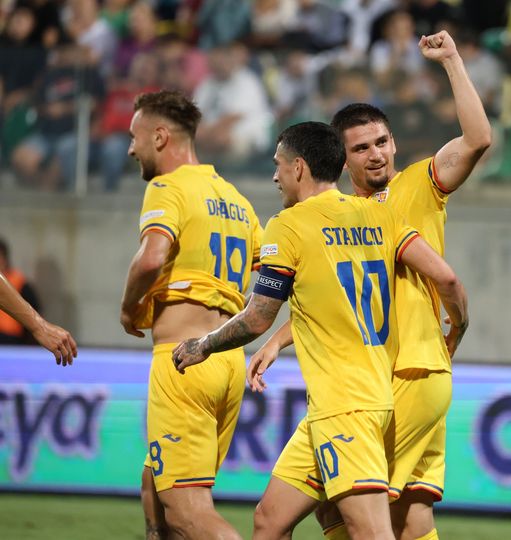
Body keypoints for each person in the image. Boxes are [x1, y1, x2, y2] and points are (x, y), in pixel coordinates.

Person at [172, 121, 469, 540]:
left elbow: (257, 317)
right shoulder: (379, 215)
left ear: (298, 167)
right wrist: (458, 325)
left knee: (373, 531)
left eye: (278, 165)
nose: (275, 176)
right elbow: (447, 279)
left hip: (346, 406)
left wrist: (204, 345)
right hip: (354, 400)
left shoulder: (288, 225)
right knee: (270, 520)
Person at [254, 29, 490, 540]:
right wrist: (277, 340)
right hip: (387, 376)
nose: (376, 154)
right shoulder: (342, 217)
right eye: (361, 148)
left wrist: (452, 61)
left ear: (395, 143)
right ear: (342, 159)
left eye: (382, 142)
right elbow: (336, 301)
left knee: (346, 508)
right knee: (408, 516)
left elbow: (477, 140)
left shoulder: (419, 185)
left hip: (406, 372)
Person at [119, 90, 262, 539]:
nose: (130, 148)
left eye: (135, 136)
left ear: (160, 137)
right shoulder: (236, 200)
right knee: (158, 481)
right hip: (225, 360)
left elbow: (150, 259)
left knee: (187, 513)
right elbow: (275, 269)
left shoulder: (168, 187)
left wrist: (129, 309)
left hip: (183, 360)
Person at [0, 238, 76, 364]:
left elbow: (35, 307)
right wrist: (40, 327)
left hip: (13, 345)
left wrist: (39, 327)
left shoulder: (21, 283)